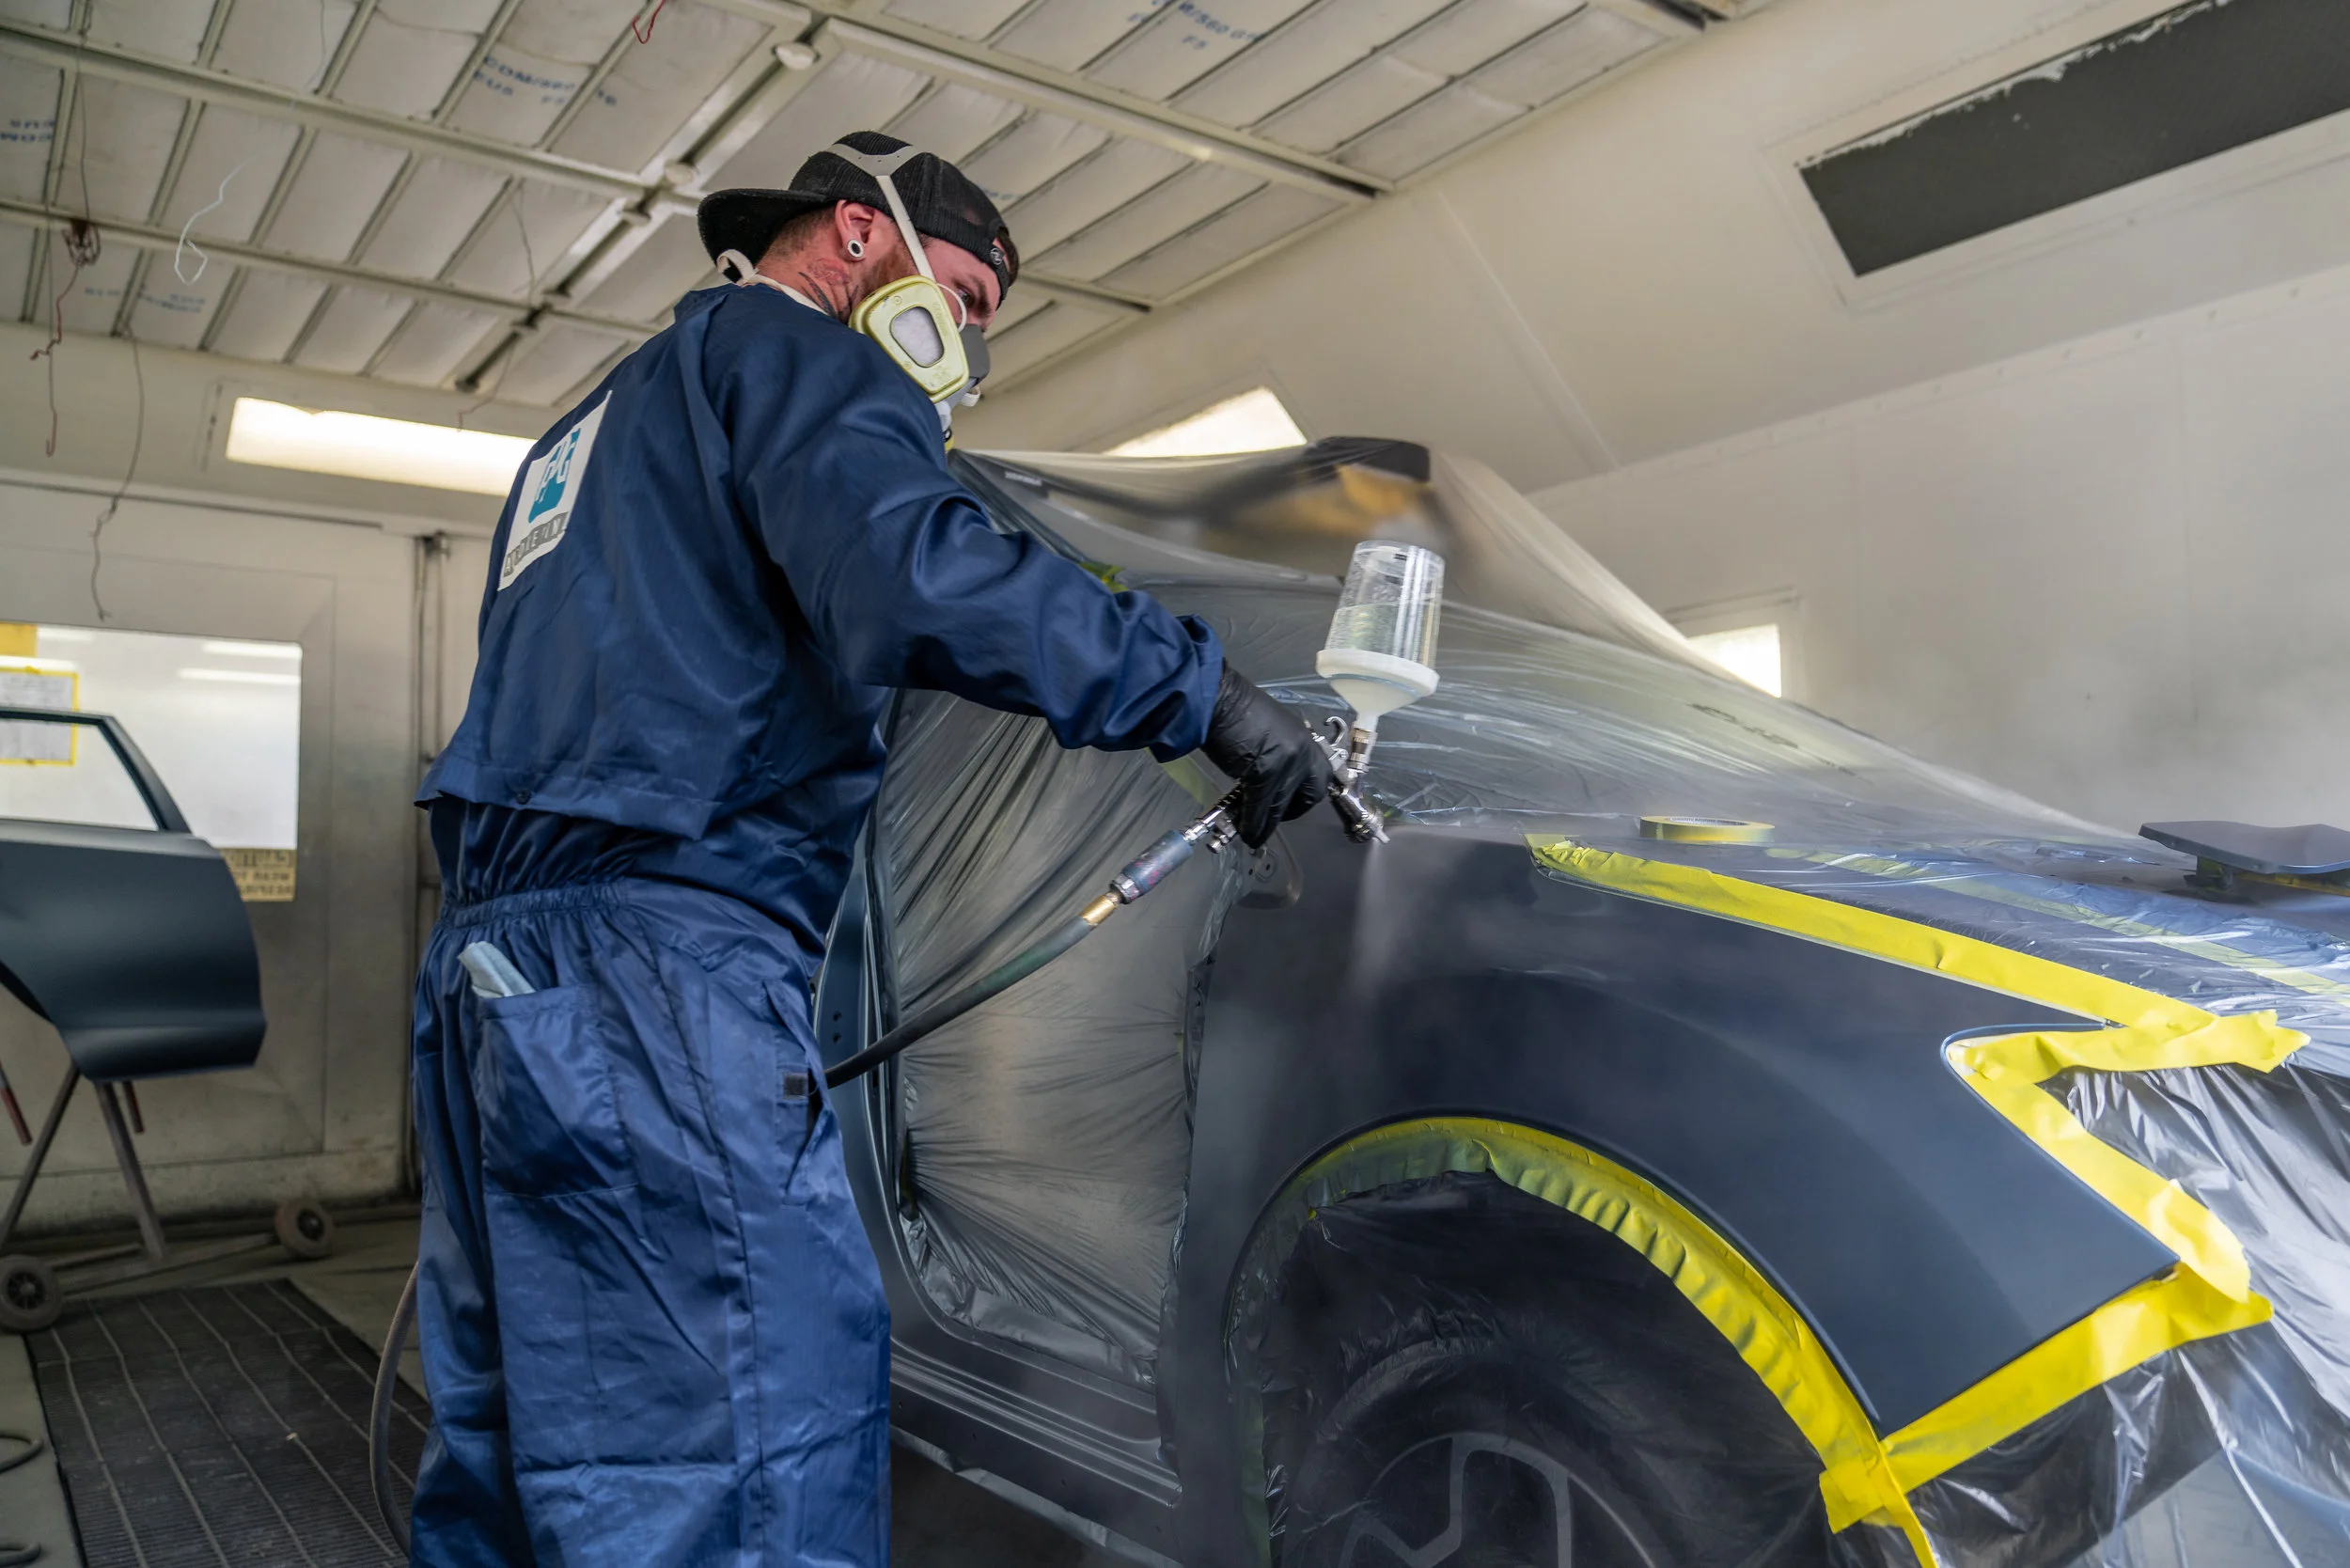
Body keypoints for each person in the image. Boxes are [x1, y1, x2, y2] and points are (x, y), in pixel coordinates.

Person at [403, 130, 1332, 1567]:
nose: (965, 341)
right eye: (961, 297)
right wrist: (1205, 695)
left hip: (492, 985)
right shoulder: (801, 359)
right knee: (740, 1465)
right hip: (663, 985)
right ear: (855, 234)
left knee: (515, 1448)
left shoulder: (589, 431)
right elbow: (916, 573)